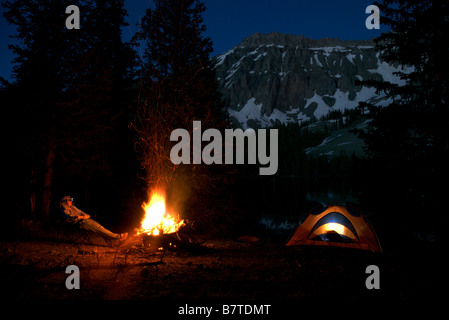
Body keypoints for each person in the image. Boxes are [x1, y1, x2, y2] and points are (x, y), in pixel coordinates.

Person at [60, 195, 128, 245]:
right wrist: (82, 217)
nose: (71, 202)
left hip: (85, 220)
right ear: (65, 202)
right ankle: (118, 237)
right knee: (99, 228)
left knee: (100, 228)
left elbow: (82, 212)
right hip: (80, 223)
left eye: (71, 200)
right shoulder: (65, 210)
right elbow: (72, 218)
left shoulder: (73, 208)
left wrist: (86, 215)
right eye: (69, 201)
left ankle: (112, 242)